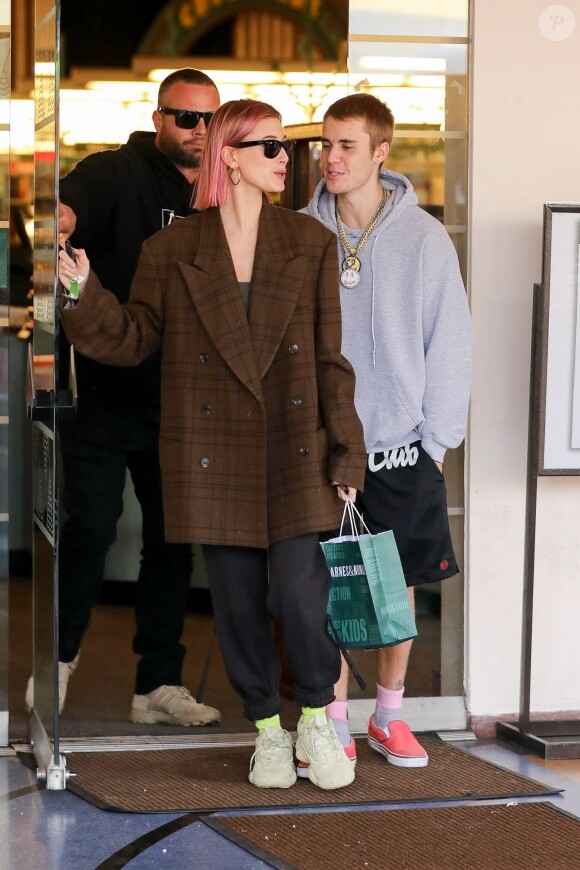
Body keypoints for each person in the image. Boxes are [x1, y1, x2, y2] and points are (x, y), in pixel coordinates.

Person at [57, 98, 368, 790]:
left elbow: (329, 361)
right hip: (213, 451)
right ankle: (266, 729)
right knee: (234, 603)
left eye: (287, 148)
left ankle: (315, 717)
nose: (286, 159)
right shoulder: (171, 250)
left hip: (296, 447)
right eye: (270, 149)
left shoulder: (309, 242)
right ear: (230, 156)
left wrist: (347, 453)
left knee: (298, 594)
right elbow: (135, 337)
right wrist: (83, 291)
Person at [25, 68, 222, 727]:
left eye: (208, 120)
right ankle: (56, 659)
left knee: (172, 541)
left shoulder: (222, 191)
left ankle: (157, 685)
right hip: (106, 389)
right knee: (90, 527)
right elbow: (69, 203)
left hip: (180, 398)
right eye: (185, 118)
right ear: (159, 117)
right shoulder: (118, 171)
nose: (198, 131)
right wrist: (57, 219)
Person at [302, 93, 472, 772]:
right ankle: (332, 720)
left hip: (402, 445)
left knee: (395, 583)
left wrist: (437, 445)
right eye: (326, 144)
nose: (331, 157)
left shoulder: (425, 237)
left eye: (347, 145)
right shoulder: (302, 231)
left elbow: (451, 342)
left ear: (381, 152)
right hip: (320, 445)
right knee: (324, 584)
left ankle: (391, 714)